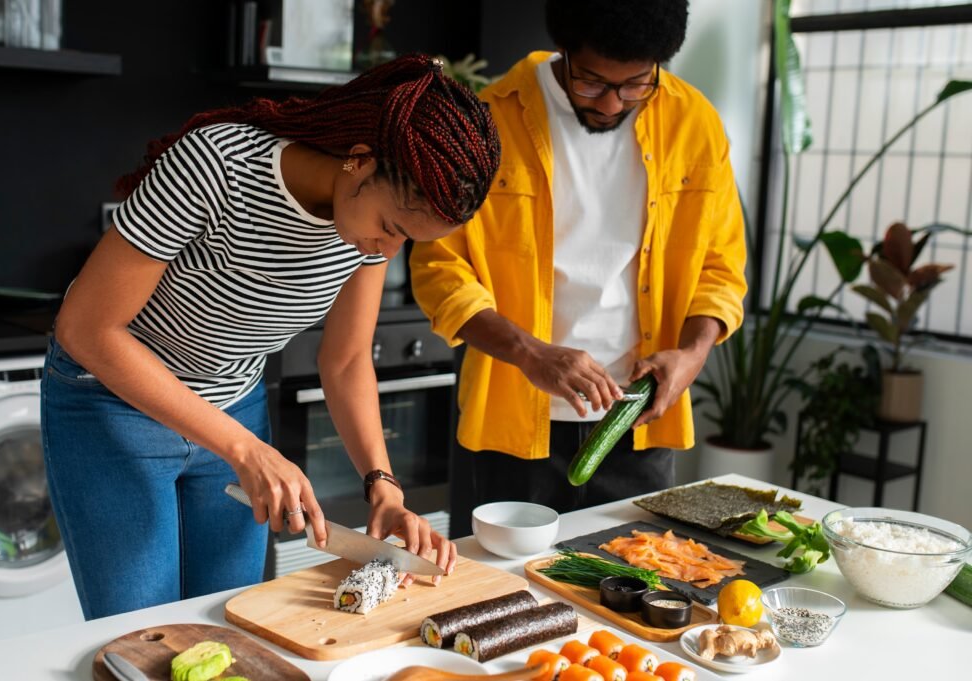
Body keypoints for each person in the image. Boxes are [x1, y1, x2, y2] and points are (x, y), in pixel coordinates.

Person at [41, 54, 501, 619]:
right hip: (113, 406)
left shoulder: (369, 228)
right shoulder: (217, 165)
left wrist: (383, 486)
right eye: (391, 228)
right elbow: (87, 328)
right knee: (141, 630)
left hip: (233, 405)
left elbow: (348, 358)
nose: (388, 251)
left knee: (228, 619)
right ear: (359, 161)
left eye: (407, 240)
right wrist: (245, 448)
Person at [409, 0, 747, 516]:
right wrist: (530, 353)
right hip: (512, 426)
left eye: (636, 84)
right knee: (503, 588)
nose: (612, 104)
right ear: (563, 51)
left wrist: (692, 355)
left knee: (635, 584)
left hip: (638, 425)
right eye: (591, 82)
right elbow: (438, 269)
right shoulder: (489, 117)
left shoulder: (695, 124)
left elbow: (721, 267)